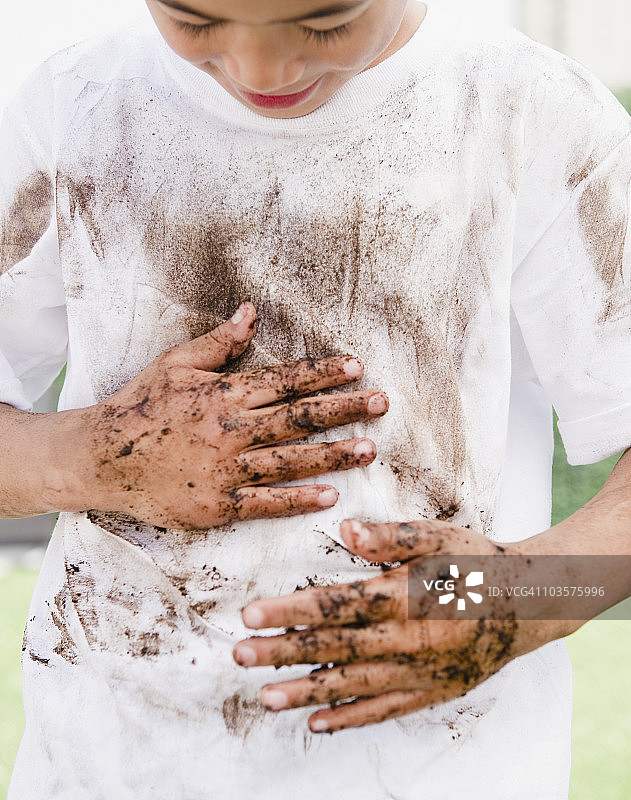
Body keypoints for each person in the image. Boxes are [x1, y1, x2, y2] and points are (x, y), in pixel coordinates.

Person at [1, 0, 630, 797]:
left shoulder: (529, 112)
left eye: (325, 23)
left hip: (440, 770)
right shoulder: (76, 101)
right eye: (194, 21)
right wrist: (90, 456)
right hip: (109, 766)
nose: (259, 72)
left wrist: (523, 595)